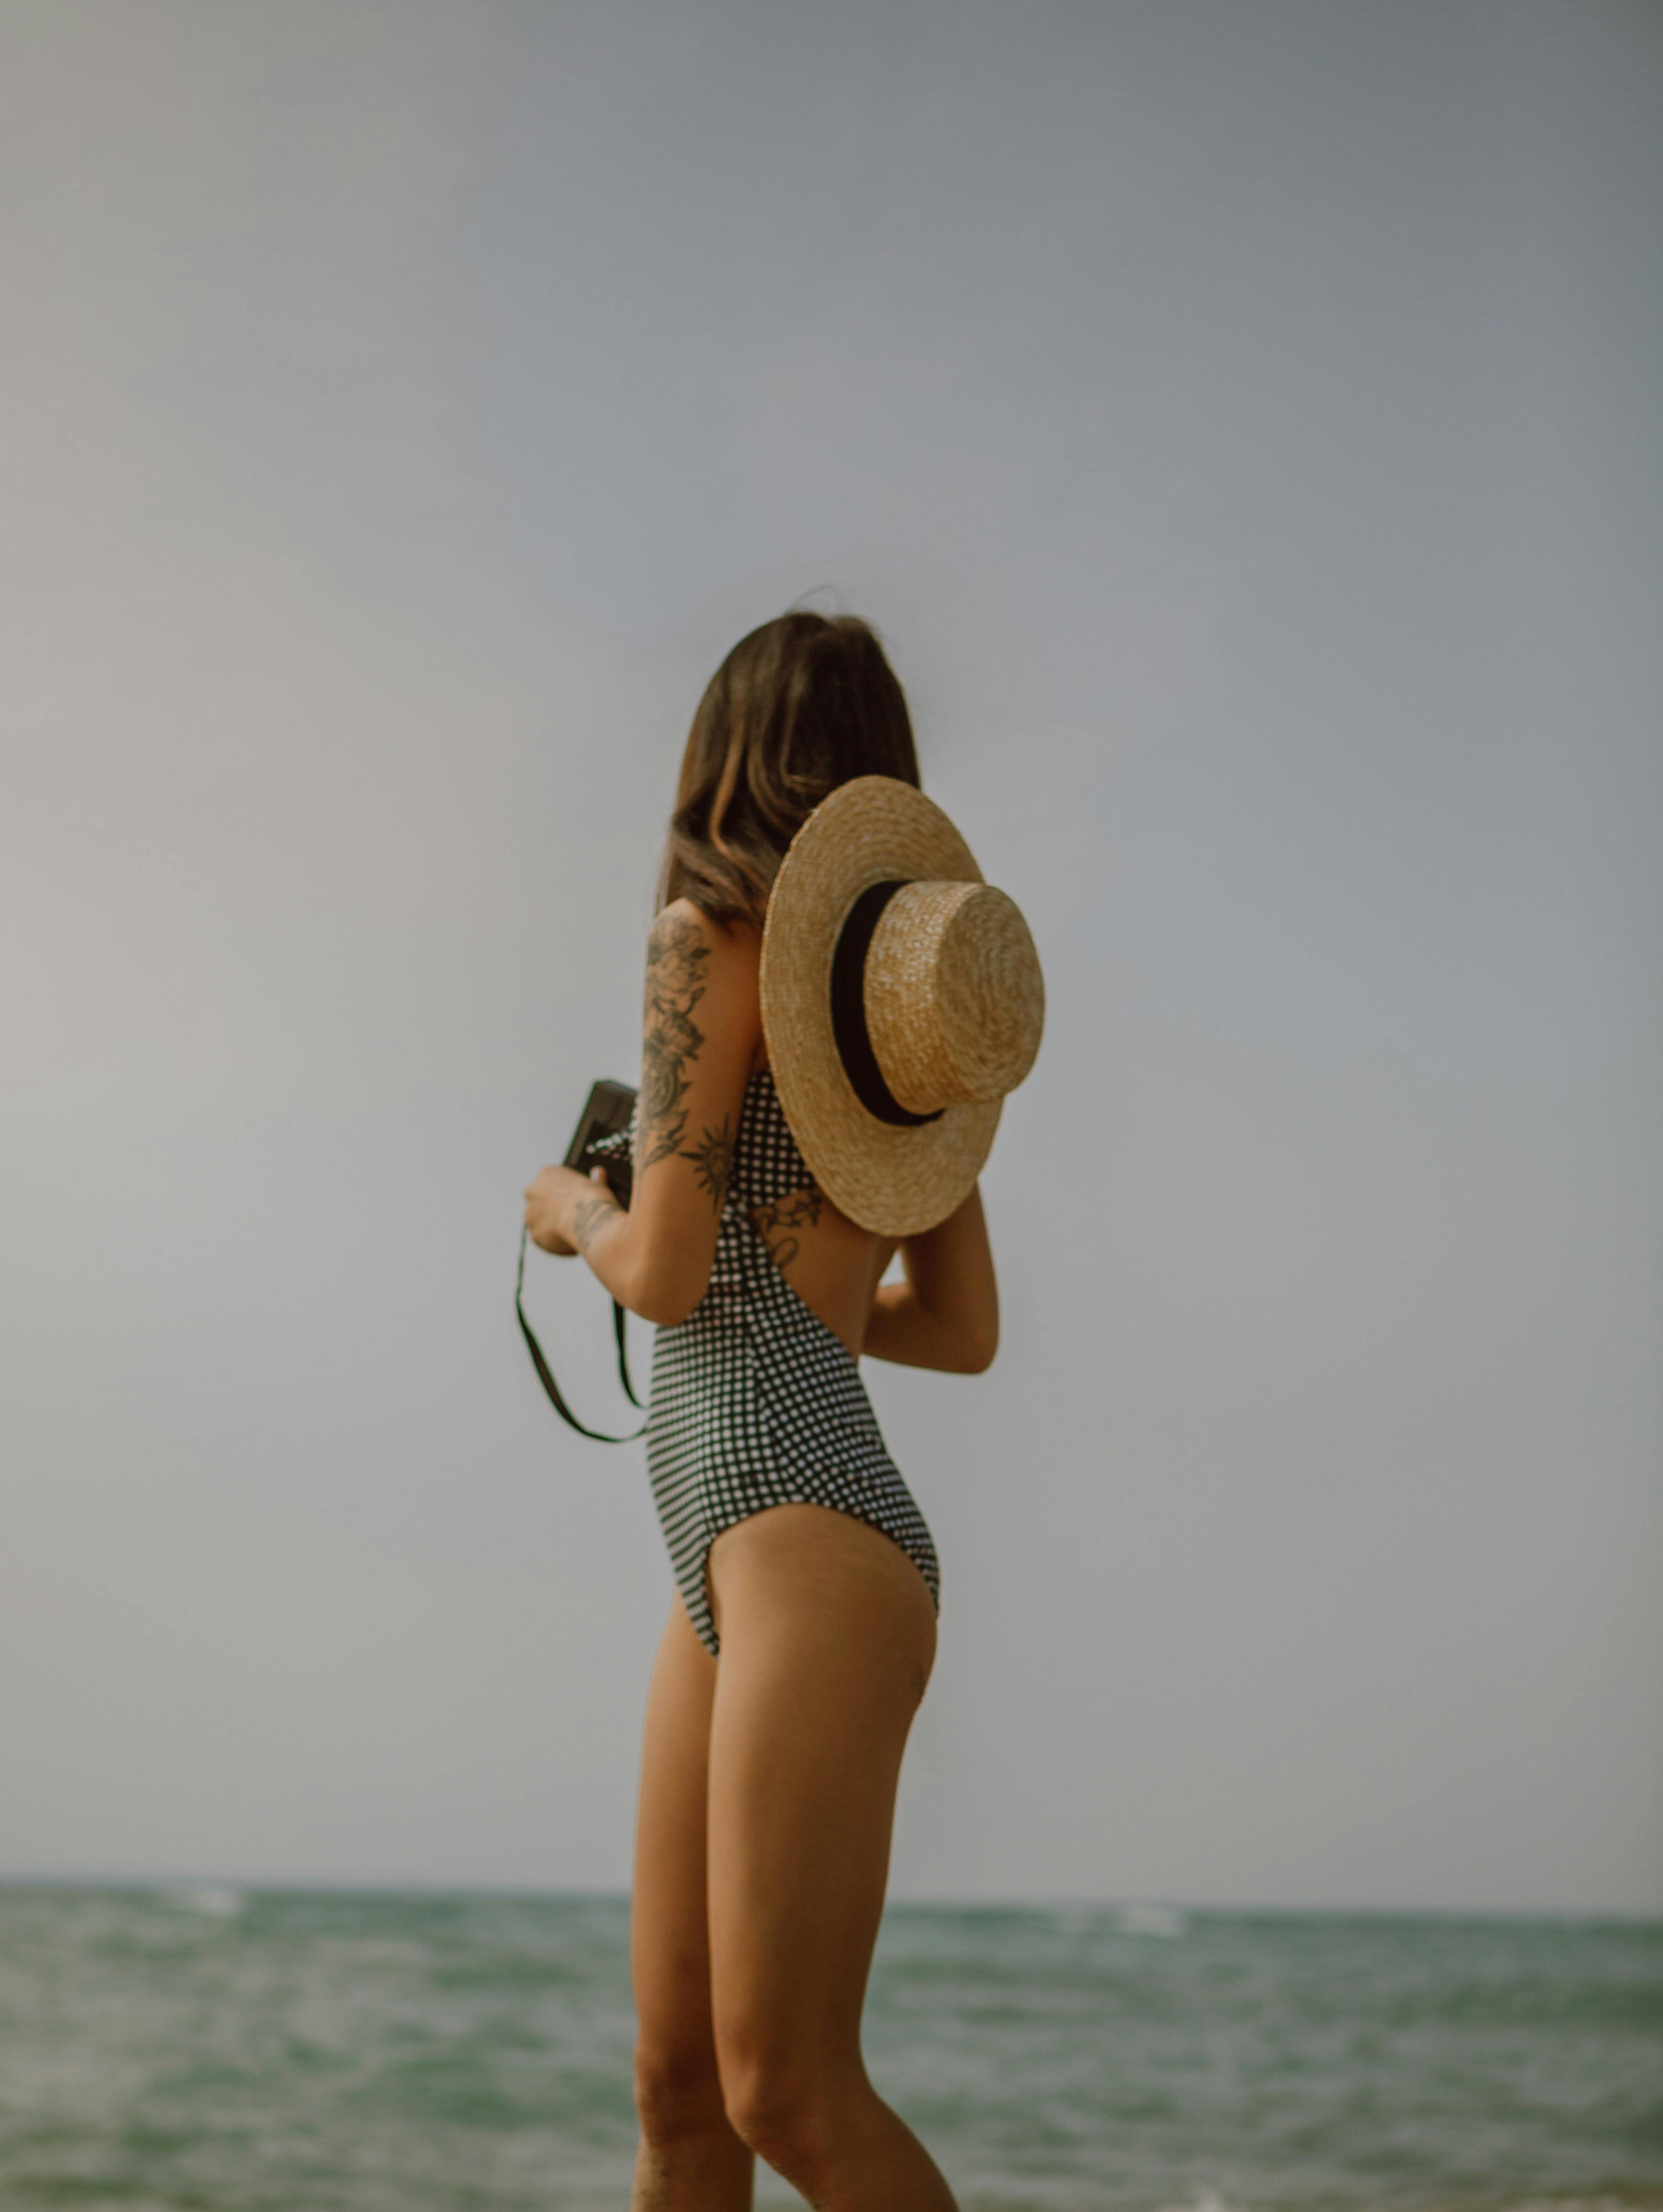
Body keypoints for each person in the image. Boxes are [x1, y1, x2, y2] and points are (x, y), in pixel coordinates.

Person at [523, 611, 1042, 2210]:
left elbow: (665, 1273)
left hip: (788, 1535)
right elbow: (957, 1327)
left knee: (783, 2094)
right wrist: (805, 1298)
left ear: (723, 754)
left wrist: (564, 1211)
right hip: (768, 1549)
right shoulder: (907, 1035)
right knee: (680, 2095)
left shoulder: (701, 938)